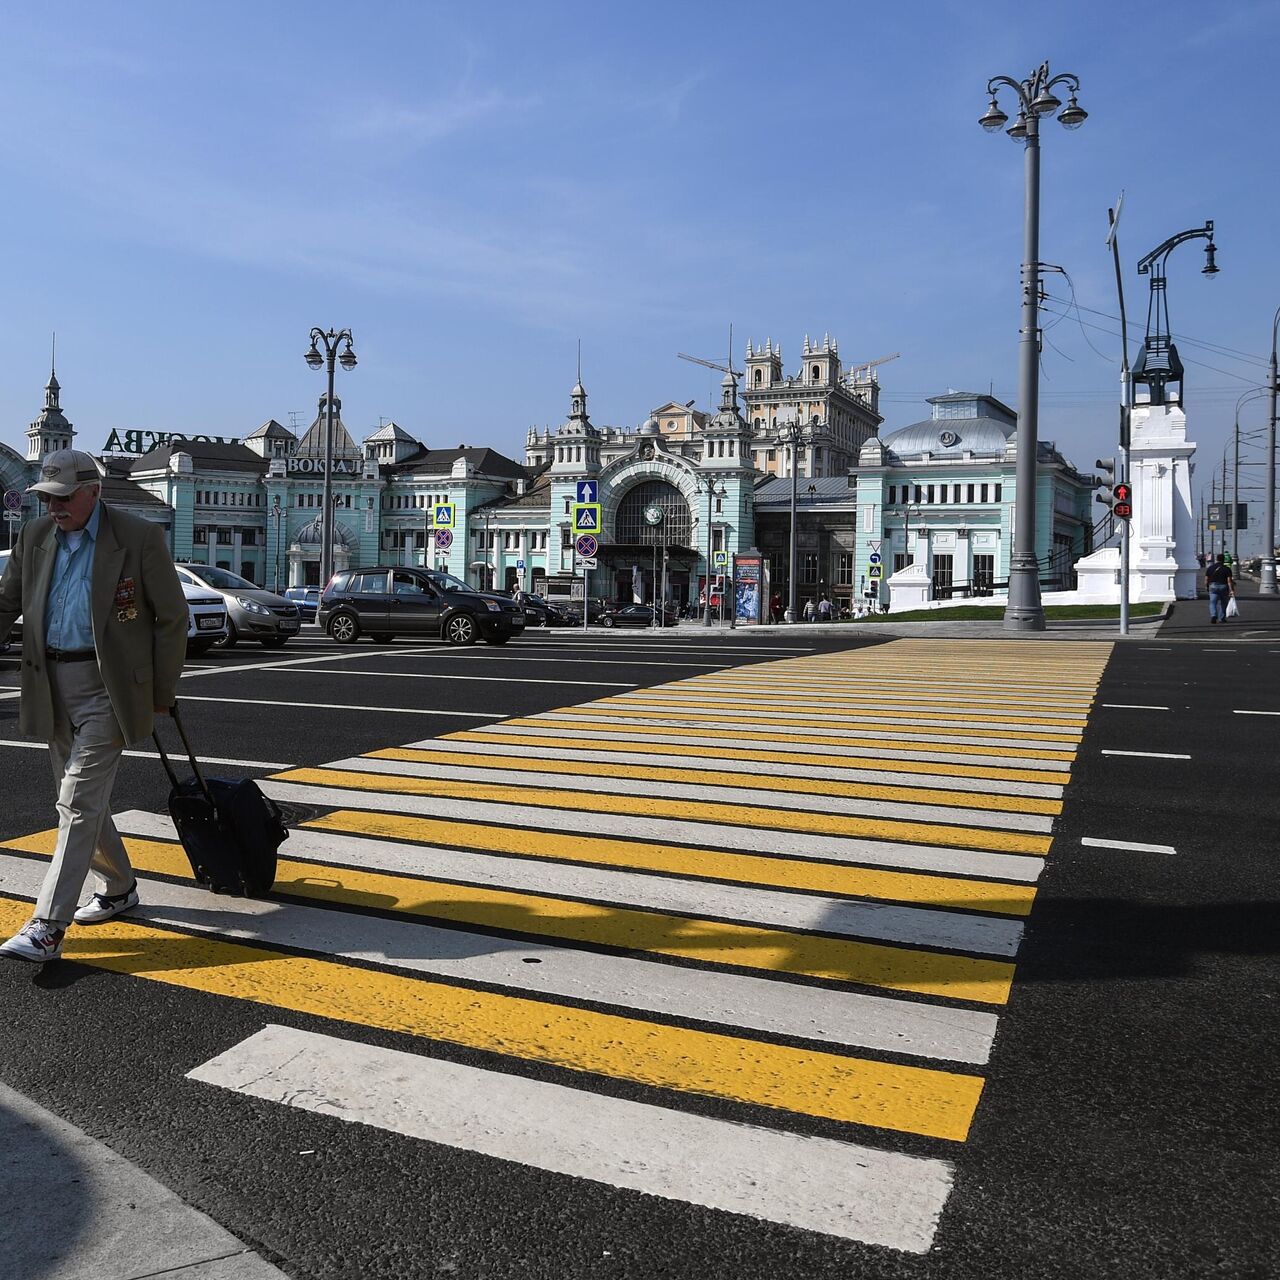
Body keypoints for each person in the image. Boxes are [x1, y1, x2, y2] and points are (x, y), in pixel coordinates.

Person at [0, 449, 188, 963]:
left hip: (110, 688)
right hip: (50, 683)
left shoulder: (137, 537)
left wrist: (159, 696)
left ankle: (47, 925)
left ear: (93, 491)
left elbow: (173, 619)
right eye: (47, 498)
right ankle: (121, 886)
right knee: (83, 800)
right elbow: (5, 604)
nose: (54, 507)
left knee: (77, 800)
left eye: (63, 497)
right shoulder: (35, 537)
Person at [1205, 552, 1235, 625]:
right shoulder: (1227, 569)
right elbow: (1229, 581)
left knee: (1213, 603)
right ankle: (1222, 618)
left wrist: (1206, 586)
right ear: (1224, 560)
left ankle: (1214, 615)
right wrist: (1231, 590)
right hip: (1223, 587)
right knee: (1224, 603)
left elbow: (1206, 579)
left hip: (1213, 586)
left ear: (1216, 559)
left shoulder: (1210, 568)